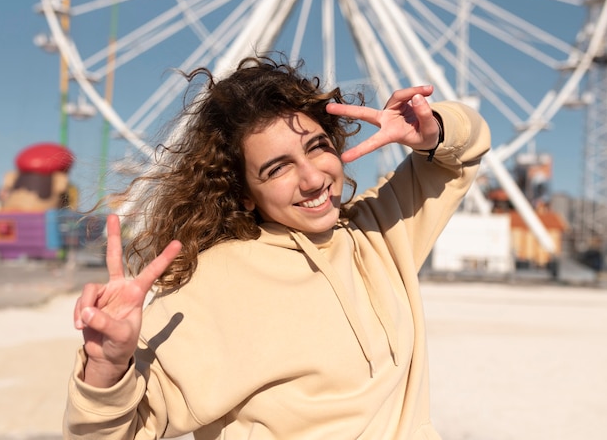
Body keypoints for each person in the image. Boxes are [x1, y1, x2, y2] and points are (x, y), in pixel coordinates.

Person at [65, 55, 491, 439]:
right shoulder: (212, 287)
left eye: (317, 147)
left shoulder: (379, 232)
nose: (312, 179)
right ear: (246, 193)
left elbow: (466, 149)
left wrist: (429, 128)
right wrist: (106, 367)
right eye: (277, 168)